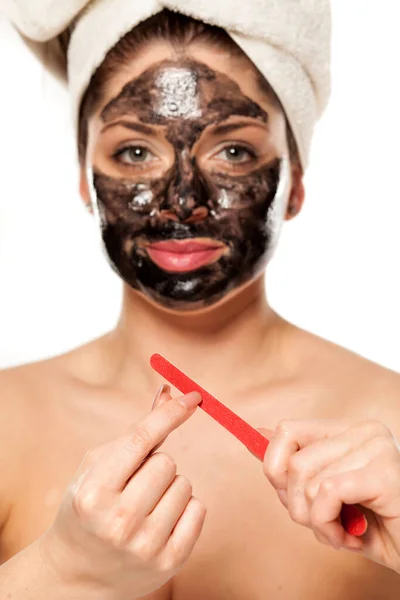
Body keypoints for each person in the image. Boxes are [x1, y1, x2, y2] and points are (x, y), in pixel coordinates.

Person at [1, 1, 400, 598]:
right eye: (135, 152)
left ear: (294, 182)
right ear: (85, 178)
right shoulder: (8, 422)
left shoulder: (389, 433)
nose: (182, 199)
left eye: (233, 151)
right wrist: (60, 573)